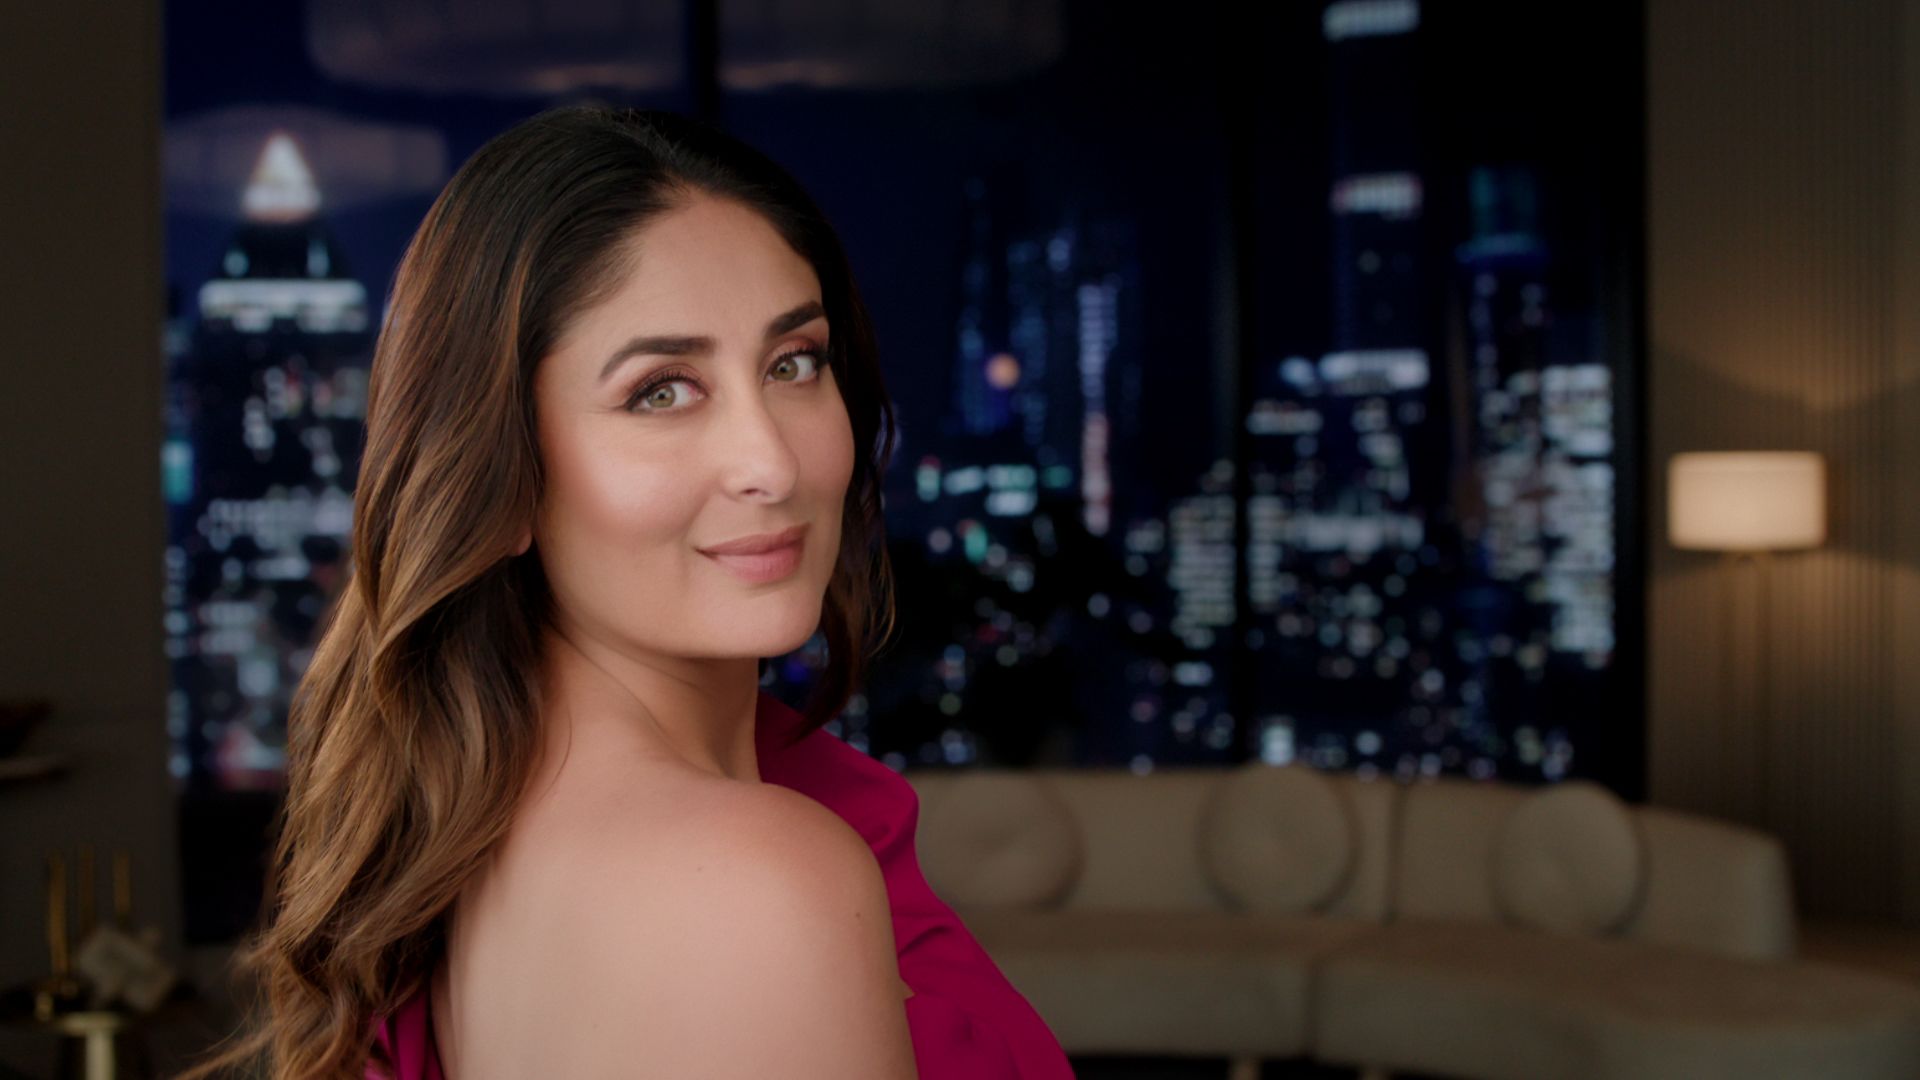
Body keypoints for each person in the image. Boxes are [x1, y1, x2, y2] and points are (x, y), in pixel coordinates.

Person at [174, 102, 1075, 1080]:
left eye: (793, 363)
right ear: (502, 477)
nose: (769, 462)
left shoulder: (481, 828)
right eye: (661, 390)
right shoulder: (750, 884)